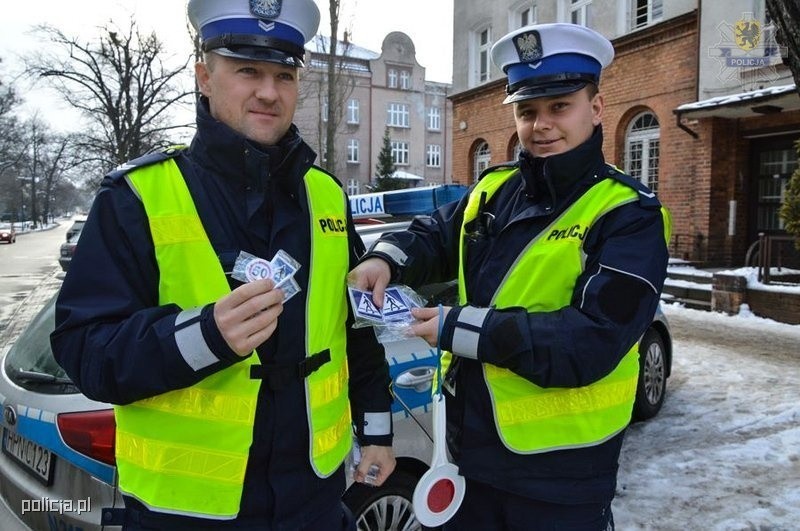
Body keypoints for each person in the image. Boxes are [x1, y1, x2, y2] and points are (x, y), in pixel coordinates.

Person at [50, 1, 395, 529]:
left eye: (284, 74)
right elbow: (84, 352)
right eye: (247, 70)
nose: (268, 91)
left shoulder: (325, 195)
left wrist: (376, 431)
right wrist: (204, 335)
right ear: (205, 77)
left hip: (313, 500)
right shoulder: (136, 196)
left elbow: (354, 328)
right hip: (183, 512)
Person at [349, 23, 671, 530]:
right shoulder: (494, 188)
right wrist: (385, 258)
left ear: (598, 108)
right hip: (467, 462)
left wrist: (461, 328)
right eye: (527, 111)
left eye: (559, 106)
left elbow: (592, 340)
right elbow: (433, 233)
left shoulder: (628, 213)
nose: (540, 124)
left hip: (561, 480)